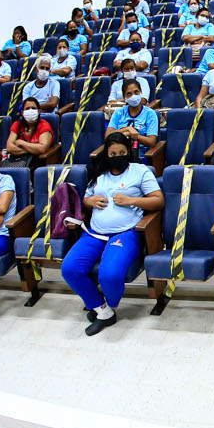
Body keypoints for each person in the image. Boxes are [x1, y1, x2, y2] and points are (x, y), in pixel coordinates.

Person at [61, 132, 163, 337]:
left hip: (125, 233)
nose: (118, 156)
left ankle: (109, 306)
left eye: (122, 152)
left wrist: (132, 200)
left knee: (109, 275)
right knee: (70, 269)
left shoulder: (140, 171)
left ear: (129, 152)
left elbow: (158, 200)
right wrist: (88, 202)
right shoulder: (99, 174)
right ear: (106, 155)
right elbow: (86, 199)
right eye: (113, 153)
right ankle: (103, 310)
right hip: (94, 233)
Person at [107, 78, 160, 160]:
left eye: (136, 92)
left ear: (141, 93)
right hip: (119, 156)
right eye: (129, 94)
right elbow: (108, 135)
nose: (133, 96)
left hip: (141, 156)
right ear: (124, 98)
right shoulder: (118, 113)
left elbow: (151, 141)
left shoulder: (150, 114)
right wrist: (127, 129)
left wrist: (134, 136)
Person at [5, 97, 57, 168]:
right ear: (22, 112)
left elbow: (42, 148)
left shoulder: (44, 125)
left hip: (37, 164)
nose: (30, 111)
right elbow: (9, 148)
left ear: (38, 111)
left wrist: (21, 143)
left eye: (33, 108)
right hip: (17, 163)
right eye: (27, 108)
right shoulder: (17, 125)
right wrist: (33, 150)